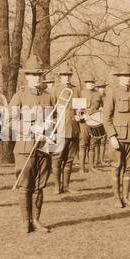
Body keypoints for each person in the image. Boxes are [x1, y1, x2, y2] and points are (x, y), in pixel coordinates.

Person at [10, 55, 56, 233]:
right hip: (24, 148)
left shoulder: (48, 97)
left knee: (39, 185)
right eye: (33, 75)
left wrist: (49, 130)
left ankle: (36, 220)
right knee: (25, 185)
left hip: (43, 148)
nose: (37, 78)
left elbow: (55, 121)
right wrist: (31, 129)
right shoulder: (19, 96)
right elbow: (11, 122)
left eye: (39, 74)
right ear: (26, 76)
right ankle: (25, 221)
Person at [100, 63, 130, 209]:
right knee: (116, 167)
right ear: (119, 77)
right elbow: (106, 117)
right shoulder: (113, 92)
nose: (127, 78)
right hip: (118, 137)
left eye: (129, 76)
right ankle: (117, 198)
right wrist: (111, 136)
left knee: (129, 168)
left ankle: (126, 197)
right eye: (124, 76)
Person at [49, 65, 83, 194]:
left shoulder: (77, 89)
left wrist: (80, 114)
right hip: (58, 128)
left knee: (69, 159)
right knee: (57, 158)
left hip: (73, 128)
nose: (66, 77)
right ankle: (57, 187)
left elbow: (80, 109)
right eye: (64, 75)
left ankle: (66, 186)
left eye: (69, 75)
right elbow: (50, 110)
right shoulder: (54, 90)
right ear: (60, 76)